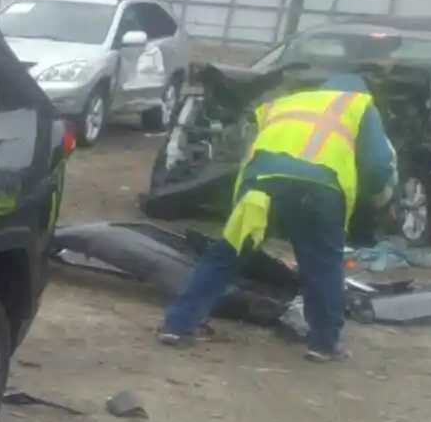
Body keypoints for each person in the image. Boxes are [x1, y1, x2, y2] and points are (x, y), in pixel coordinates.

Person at [158, 69, 396, 361]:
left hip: (261, 186)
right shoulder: (358, 104)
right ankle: (323, 344)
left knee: (224, 256)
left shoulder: (287, 103)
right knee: (322, 267)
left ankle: (177, 325)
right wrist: (370, 199)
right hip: (318, 190)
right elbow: (378, 166)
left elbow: (250, 154)